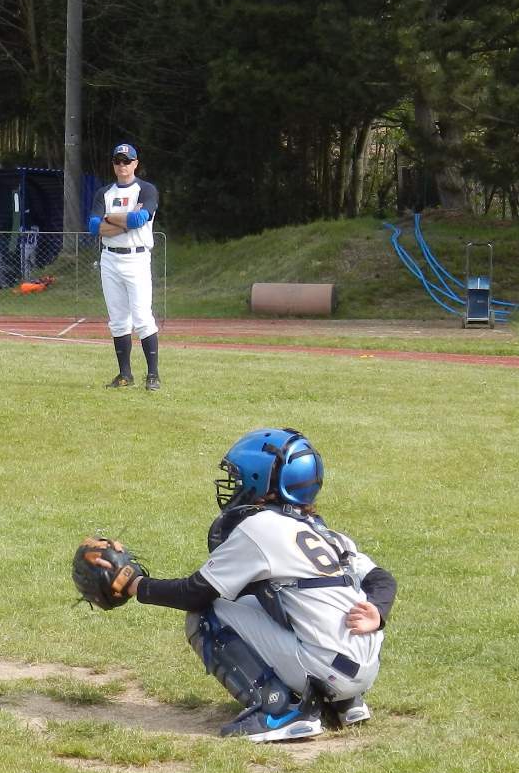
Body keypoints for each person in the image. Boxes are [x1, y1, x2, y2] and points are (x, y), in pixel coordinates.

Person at [120, 427, 394, 742]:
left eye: (238, 477)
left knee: (208, 615)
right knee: (257, 600)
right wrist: (378, 610)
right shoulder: (325, 533)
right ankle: (344, 703)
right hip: (362, 669)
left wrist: (135, 585)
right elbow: (381, 579)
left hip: (327, 666)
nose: (233, 485)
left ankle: (278, 711)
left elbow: (195, 594)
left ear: (262, 482)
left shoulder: (261, 526)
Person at [89, 142, 162, 390]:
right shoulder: (104, 193)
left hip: (137, 257)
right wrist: (125, 222)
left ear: (135, 163)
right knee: (118, 319)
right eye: (118, 161)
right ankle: (125, 374)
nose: (122, 165)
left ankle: (152, 375)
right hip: (110, 258)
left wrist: (109, 219)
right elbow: (93, 227)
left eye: (127, 161)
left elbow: (140, 218)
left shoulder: (146, 190)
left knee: (142, 317)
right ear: (113, 164)